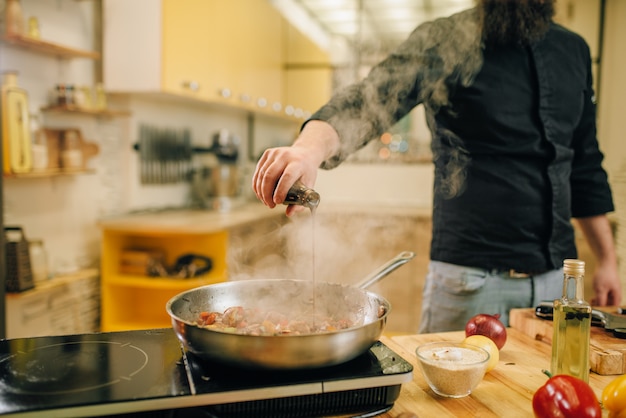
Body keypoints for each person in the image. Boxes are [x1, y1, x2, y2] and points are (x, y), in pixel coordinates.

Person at [252, 0, 622, 332]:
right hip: (468, 283)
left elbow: (584, 164)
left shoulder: (573, 50)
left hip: (554, 284)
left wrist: (607, 259)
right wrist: (307, 150)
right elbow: (370, 99)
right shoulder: (443, 38)